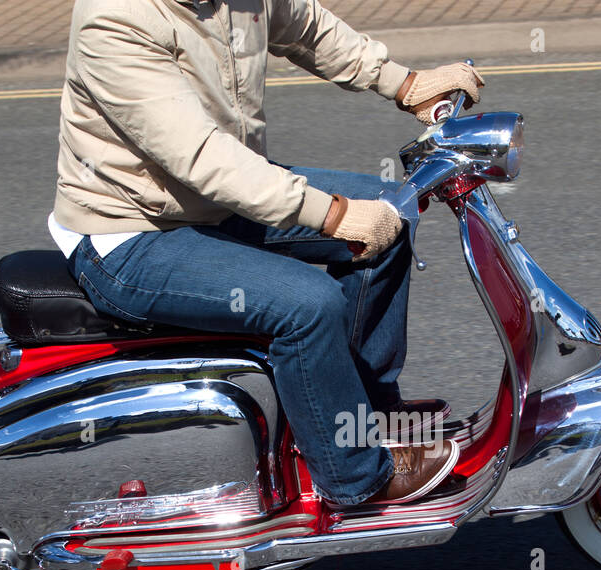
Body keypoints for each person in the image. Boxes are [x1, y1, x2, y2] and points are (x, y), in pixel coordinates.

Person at [49, 0, 483, 505]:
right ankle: (356, 474)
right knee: (308, 304)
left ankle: (361, 412)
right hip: (130, 232)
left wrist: (404, 83)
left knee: (392, 213)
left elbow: (305, 26)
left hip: (216, 197)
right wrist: (333, 214)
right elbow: (200, 156)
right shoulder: (117, 17)